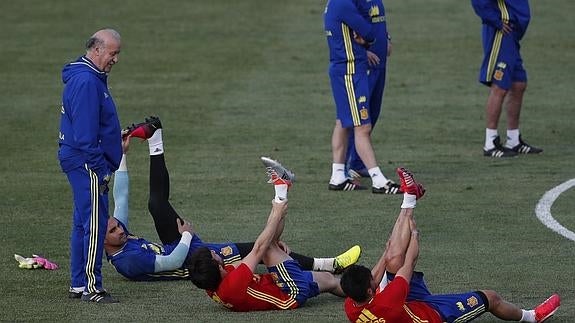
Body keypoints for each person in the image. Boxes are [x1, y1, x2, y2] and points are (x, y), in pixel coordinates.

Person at [95, 116, 360, 284]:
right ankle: (328, 266)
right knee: (264, 248)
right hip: (194, 260)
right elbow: (172, 263)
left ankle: (155, 138)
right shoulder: (128, 262)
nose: (121, 228)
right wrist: (187, 235)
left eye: (117, 226)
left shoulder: (118, 236)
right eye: (114, 230)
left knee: (155, 205)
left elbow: (122, 195)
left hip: (180, 245)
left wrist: (120, 154)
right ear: (102, 240)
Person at [340, 168, 561, 322]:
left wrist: (393, 243)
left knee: (393, 258)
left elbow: (389, 257)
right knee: (490, 298)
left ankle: (409, 198)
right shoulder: (387, 302)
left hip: (406, 305)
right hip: (432, 315)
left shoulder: (352, 307)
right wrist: (414, 234)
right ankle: (532, 317)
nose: (375, 277)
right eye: (373, 280)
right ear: (371, 290)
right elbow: (411, 259)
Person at [187, 158, 348, 311]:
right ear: (217, 267)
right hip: (290, 292)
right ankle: (281, 189)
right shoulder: (232, 284)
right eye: (213, 255)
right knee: (267, 247)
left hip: (279, 284)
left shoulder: (212, 284)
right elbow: (258, 249)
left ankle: (365, 291)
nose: (215, 252)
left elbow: (247, 259)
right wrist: (277, 213)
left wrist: (275, 242)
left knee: (330, 279)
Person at [58, 28, 123, 303]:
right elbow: (86, 136)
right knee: (95, 225)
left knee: (83, 223)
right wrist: (102, 168)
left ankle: (78, 283)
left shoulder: (88, 76)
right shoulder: (86, 82)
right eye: (113, 53)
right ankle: (91, 287)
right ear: (96, 50)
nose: (115, 59)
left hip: (80, 158)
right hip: (87, 162)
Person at [324, 0, 401, 194]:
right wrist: (365, 39)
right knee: (362, 126)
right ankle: (378, 180)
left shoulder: (336, 3)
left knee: (343, 122)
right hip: (350, 71)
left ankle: (338, 176)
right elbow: (368, 32)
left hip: (344, 69)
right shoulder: (344, 4)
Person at [471, 0, 542, 158]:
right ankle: (490, 143)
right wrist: (495, 20)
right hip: (501, 32)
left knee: (518, 84)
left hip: (512, 34)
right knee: (500, 86)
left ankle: (513, 140)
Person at [346, 0, 393, 180]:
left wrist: (387, 38)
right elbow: (346, 28)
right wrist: (362, 52)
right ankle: (347, 165)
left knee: (373, 113)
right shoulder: (353, 2)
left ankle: (358, 163)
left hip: (379, 64)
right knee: (360, 118)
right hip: (364, 66)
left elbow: (378, 21)